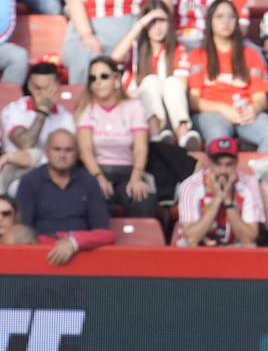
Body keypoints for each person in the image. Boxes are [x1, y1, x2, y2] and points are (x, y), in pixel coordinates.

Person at [73, 55, 157, 219]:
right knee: (93, 198)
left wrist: (136, 178)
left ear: (116, 78)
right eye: (93, 78)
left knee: (143, 199)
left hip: (128, 172)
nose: (98, 82)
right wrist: (98, 178)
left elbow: (140, 147)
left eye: (104, 76)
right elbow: (85, 150)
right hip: (96, 171)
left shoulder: (134, 107)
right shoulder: (86, 109)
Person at [15, 128, 116, 265]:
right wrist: (54, 244)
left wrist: (74, 242)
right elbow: (24, 228)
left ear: (77, 153)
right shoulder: (29, 181)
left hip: (83, 254)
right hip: (40, 254)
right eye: (57, 149)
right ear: (46, 151)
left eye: (68, 150)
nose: (62, 155)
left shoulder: (89, 182)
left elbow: (102, 230)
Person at [189, 0, 268, 151]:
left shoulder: (251, 54)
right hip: (211, 114)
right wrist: (222, 109)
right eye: (219, 17)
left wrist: (254, 109)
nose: (226, 21)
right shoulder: (198, 55)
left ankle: (262, 168)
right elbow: (194, 101)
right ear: (210, 22)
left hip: (245, 114)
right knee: (218, 135)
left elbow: (260, 98)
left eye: (231, 16)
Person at [109, 0, 196, 150]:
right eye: (152, 22)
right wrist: (140, 24)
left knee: (171, 83)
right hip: (137, 113)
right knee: (151, 81)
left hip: (170, 113)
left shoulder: (177, 49)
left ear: (170, 23)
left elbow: (181, 86)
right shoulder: (135, 49)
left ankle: (183, 135)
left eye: (162, 21)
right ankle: (156, 135)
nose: (157, 27)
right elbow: (114, 59)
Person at [1, 62, 77, 194]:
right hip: (19, 175)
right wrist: (43, 111)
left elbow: (71, 155)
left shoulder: (66, 117)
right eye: (37, 88)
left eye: (48, 88)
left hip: (57, 176)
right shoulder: (14, 110)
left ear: (57, 87)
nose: (42, 94)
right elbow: (26, 144)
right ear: (29, 85)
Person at [176, 135, 265, 246]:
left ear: (236, 163)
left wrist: (228, 202)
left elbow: (249, 238)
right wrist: (217, 200)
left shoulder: (249, 184)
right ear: (208, 162)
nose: (223, 171)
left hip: (234, 248)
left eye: (229, 164)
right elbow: (191, 239)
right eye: (218, 164)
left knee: (251, 246)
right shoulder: (191, 185)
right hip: (199, 248)